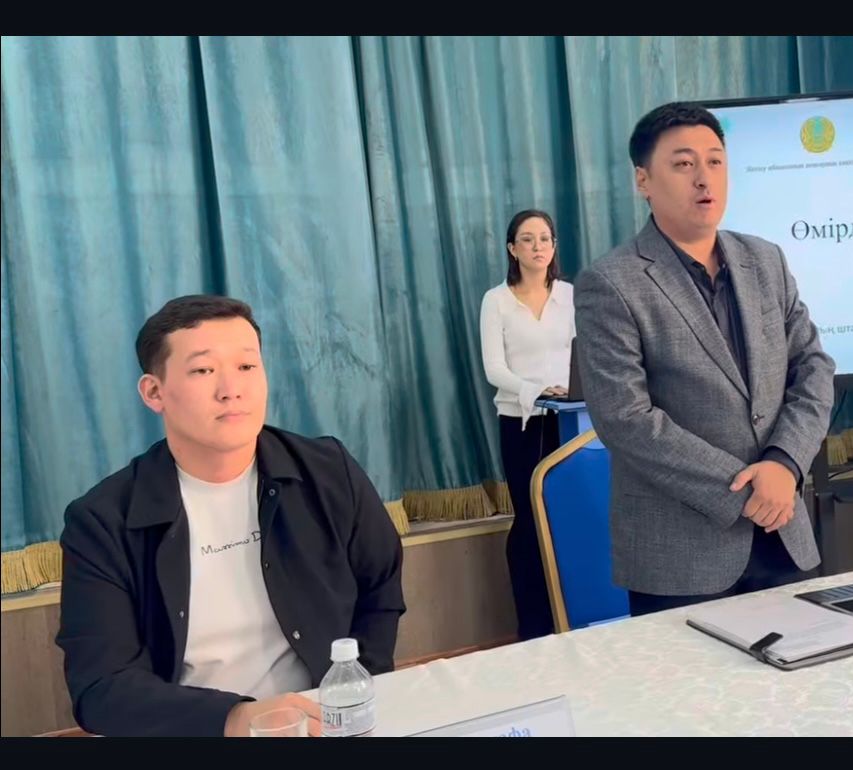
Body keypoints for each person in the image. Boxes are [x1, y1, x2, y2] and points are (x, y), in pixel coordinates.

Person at [55, 294, 406, 736]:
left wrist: (351, 693)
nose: (231, 389)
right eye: (203, 370)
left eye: (246, 366)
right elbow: (102, 687)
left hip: (325, 722)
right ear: (154, 392)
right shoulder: (102, 521)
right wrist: (235, 718)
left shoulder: (328, 471)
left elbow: (380, 587)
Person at [574, 102, 836, 616]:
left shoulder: (765, 260)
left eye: (715, 161)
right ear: (643, 180)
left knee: (804, 667)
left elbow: (813, 368)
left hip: (784, 533)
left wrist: (784, 464)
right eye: (683, 164)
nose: (704, 178)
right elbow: (626, 419)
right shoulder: (610, 283)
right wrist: (747, 490)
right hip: (681, 555)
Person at [479, 209, 575, 639]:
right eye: (528, 239)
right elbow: (494, 369)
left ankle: (571, 617)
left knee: (569, 516)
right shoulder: (496, 300)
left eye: (545, 238)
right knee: (530, 520)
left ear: (554, 247)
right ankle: (532, 628)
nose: (538, 246)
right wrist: (536, 391)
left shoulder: (570, 295)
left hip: (571, 421)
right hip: (522, 422)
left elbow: (585, 353)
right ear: (512, 249)